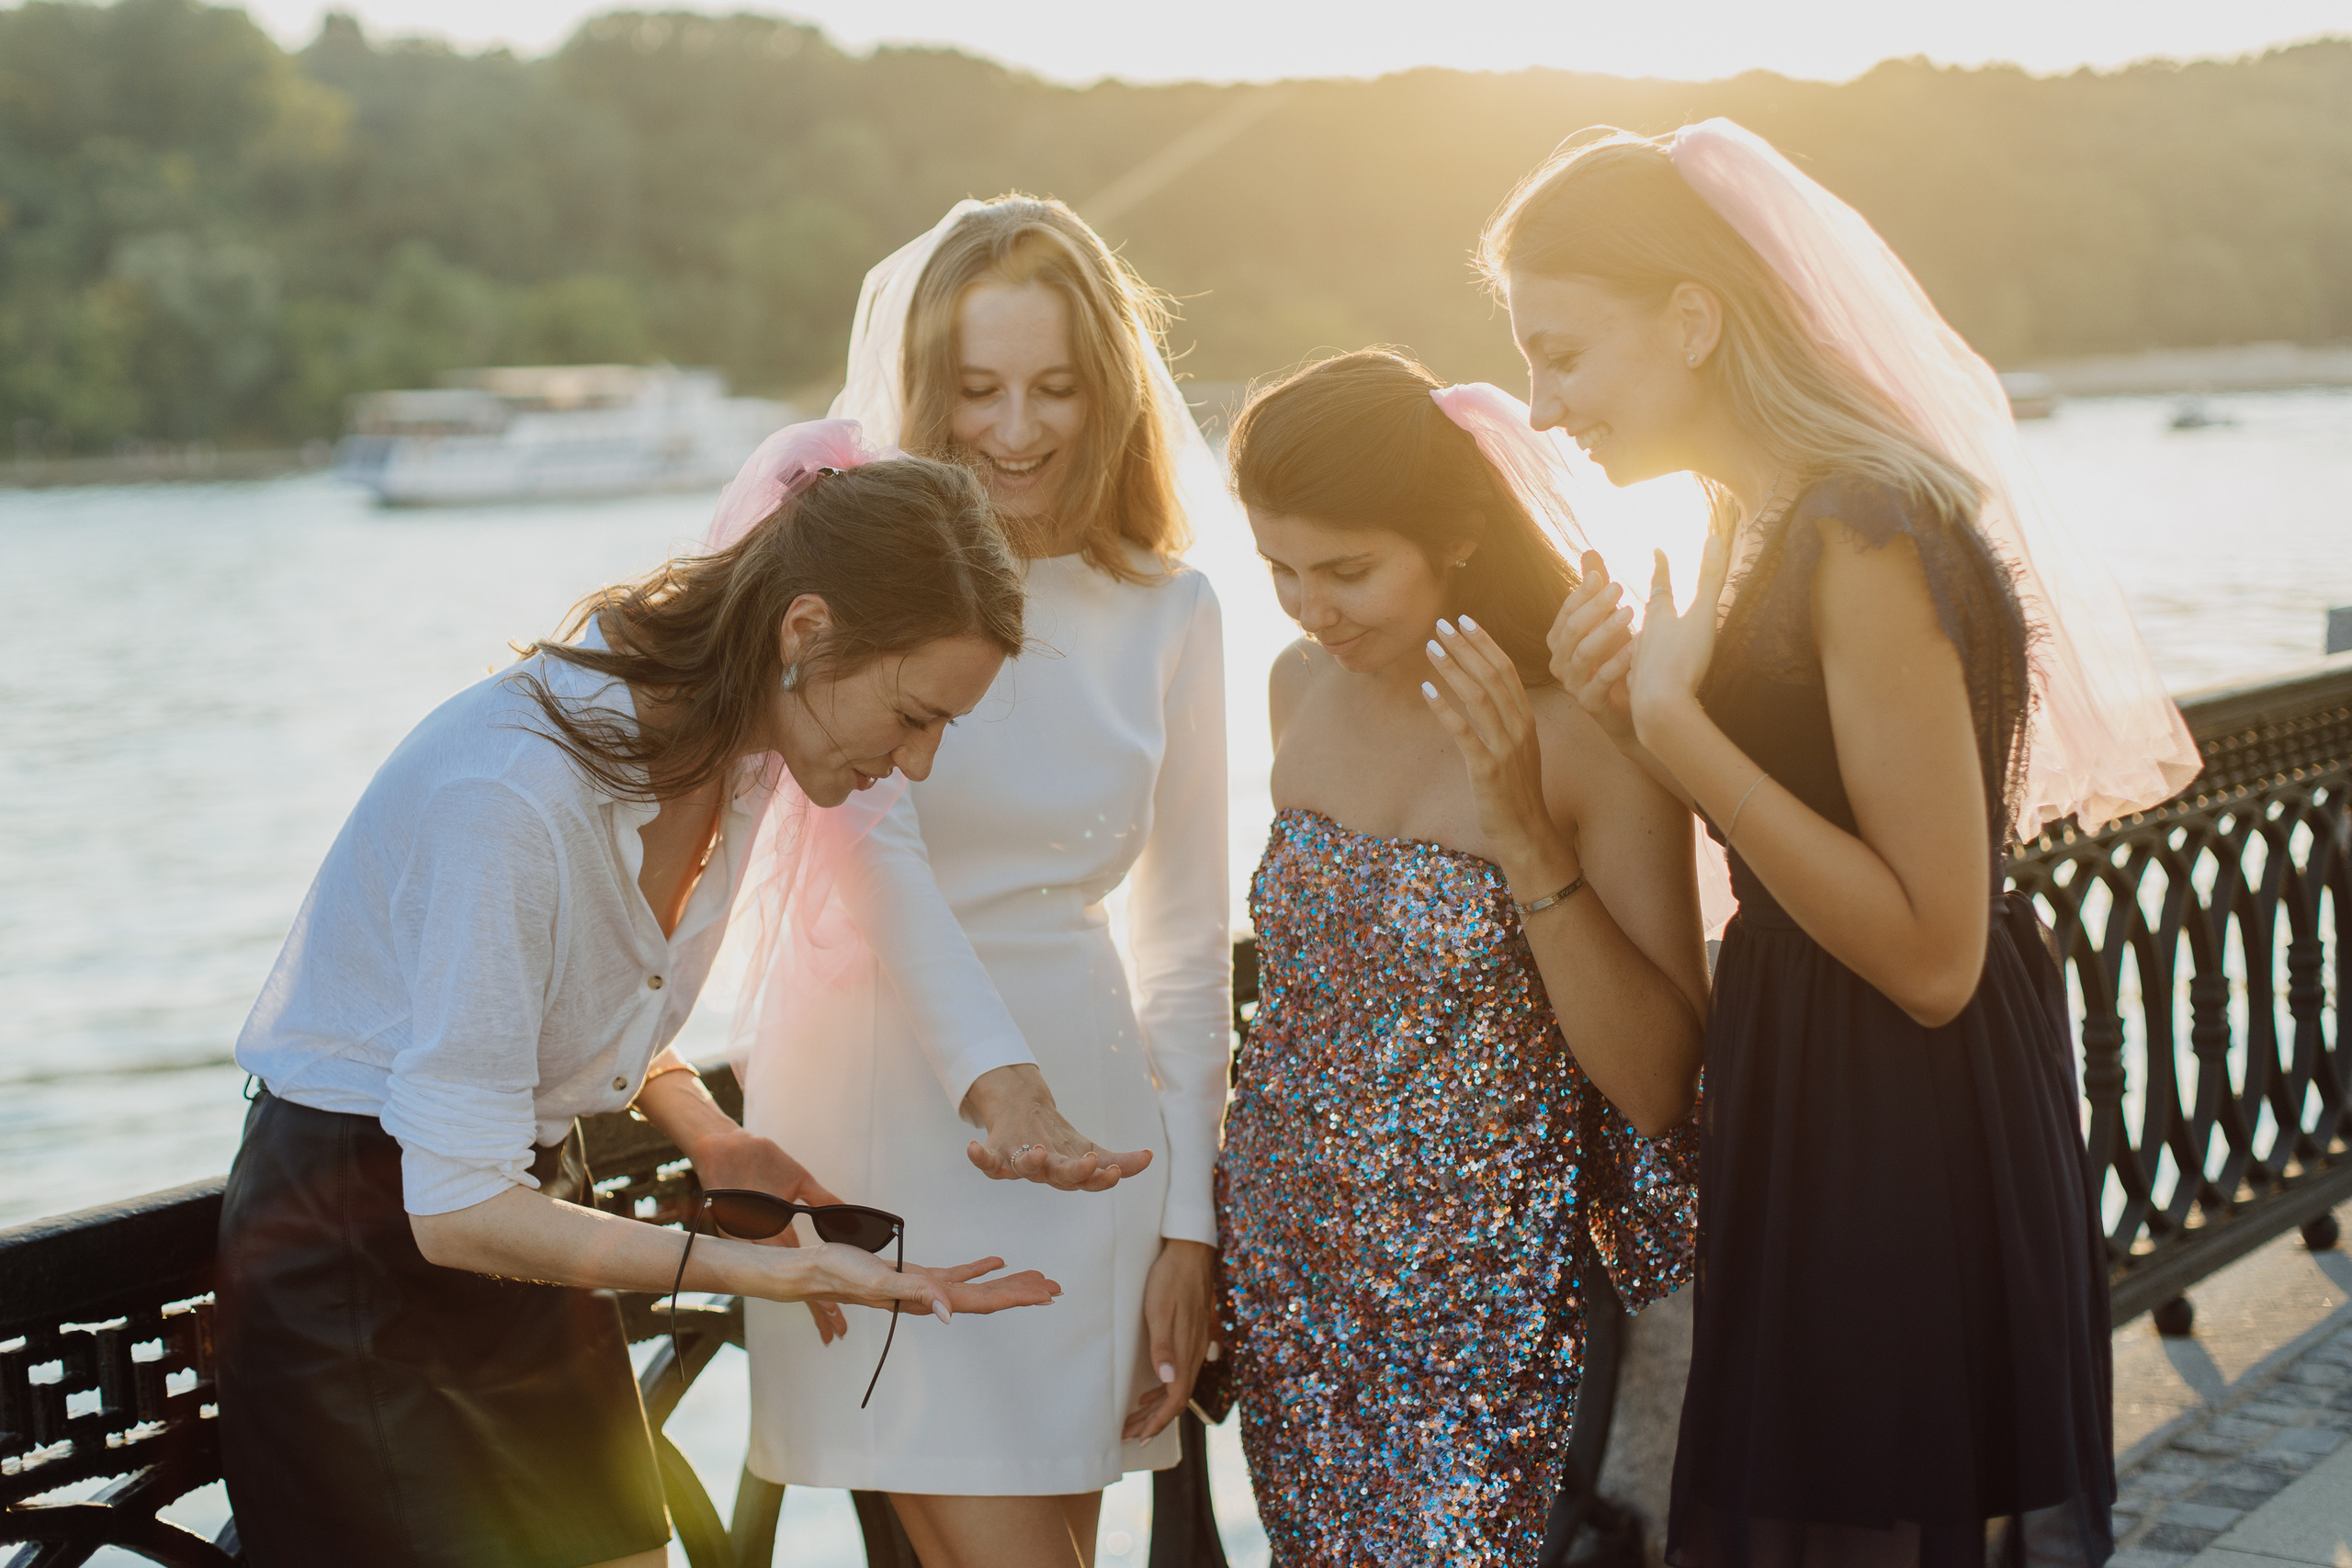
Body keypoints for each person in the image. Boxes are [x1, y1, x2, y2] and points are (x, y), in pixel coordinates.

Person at [1510, 121, 2199, 1568]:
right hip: (1814, 1071)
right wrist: (1630, 718)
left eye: (1562, 352)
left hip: (1900, 1105)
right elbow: (1804, 810)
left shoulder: (1862, 531)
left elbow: (1937, 953)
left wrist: (1677, 730)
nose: (1543, 402)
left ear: (1692, 320)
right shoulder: (1754, 525)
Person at [215, 424, 1061, 1568]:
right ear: (804, 631)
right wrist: (767, 1267)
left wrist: (707, 1130)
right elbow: (450, 1207)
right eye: (915, 715)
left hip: (525, 1208)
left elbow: (544, 1005)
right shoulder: (512, 793)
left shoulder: (748, 747)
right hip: (363, 1252)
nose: (916, 764)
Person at [740, 197, 1232, 1568]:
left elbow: (1187, 942)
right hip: (888, 1115)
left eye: (1055, 388)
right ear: (925, 388)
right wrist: (992, 1088)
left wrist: (1188, 1221)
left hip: (1094, 1135)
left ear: (1112, 393)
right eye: (977, 390)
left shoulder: (1173, 608)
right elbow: (873, 856)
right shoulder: (859, 581)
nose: (1015, 429)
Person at [1216, 349, 1710, 1563]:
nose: (1311, 607)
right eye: (1280, 568)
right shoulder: (1295, 688)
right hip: (1295, 1279)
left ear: (1458, 536)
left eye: (1346, 569)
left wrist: (1523, 822)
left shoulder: (1590, 736)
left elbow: (1657, 1082)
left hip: (1500, 1304)